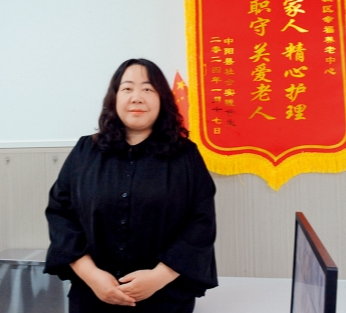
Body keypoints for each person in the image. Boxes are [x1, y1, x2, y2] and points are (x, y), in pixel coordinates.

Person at [44, 58, 218, 312]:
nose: (137, 97)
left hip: (164, 298)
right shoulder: (85, 151)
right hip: (93, 296)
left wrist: (159, 276)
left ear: (162, 99)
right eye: (127, 88)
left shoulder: (185, 155)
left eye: (148, 89)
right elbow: (60, 215)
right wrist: (92, 275)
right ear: (114, 98)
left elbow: (201, 223)